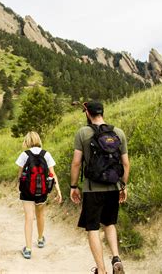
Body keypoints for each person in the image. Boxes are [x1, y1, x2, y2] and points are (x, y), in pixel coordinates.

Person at [70, 101, 130, 274]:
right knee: (110, 223)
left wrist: (74, 186)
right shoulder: (118, 133)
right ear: (102, 113)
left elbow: (76, 163)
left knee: (93, 228)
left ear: (88, 114)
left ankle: (102, 270)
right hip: (113, 186)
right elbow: (125, 163)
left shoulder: (83, 133)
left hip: (92, 189)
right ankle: (116, 258)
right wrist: (122, 186)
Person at [15, 131, 62, 259]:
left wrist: (18, 186)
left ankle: (28, 249)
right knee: (40, 215)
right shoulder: (46, 154)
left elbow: (20, 174)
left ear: (27, 141)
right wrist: (58, 190)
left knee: (28, 218)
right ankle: (40, 239)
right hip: (42, 191)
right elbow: (52, 174)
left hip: (27, 192)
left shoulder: (24, 155)